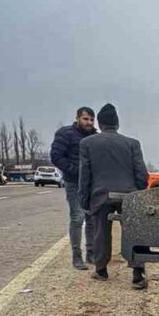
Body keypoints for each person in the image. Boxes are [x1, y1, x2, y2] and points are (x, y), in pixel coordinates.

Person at [78, 103, 150, 287]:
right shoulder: (132, 143)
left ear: (100, 124)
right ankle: (138, 273)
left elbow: (85, 174)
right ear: (117, 124)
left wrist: (84, 200)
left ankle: (101, 270)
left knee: (101, 231)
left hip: (100, 195)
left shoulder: (87, 143)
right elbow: (141, 173)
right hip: (128, 194)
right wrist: (139, 195)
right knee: (134, 231)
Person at [50, 106, 97, 269]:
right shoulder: (66, 133)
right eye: (86, 119)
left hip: (91, 184)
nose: (89, 122)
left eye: (91, 119)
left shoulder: (95, 137)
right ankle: (76, 256)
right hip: (73, 182)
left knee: (91, 218)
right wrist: (72, 170)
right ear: (78, 118)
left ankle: (91, 253)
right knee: (78, 217)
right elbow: (56, 156)